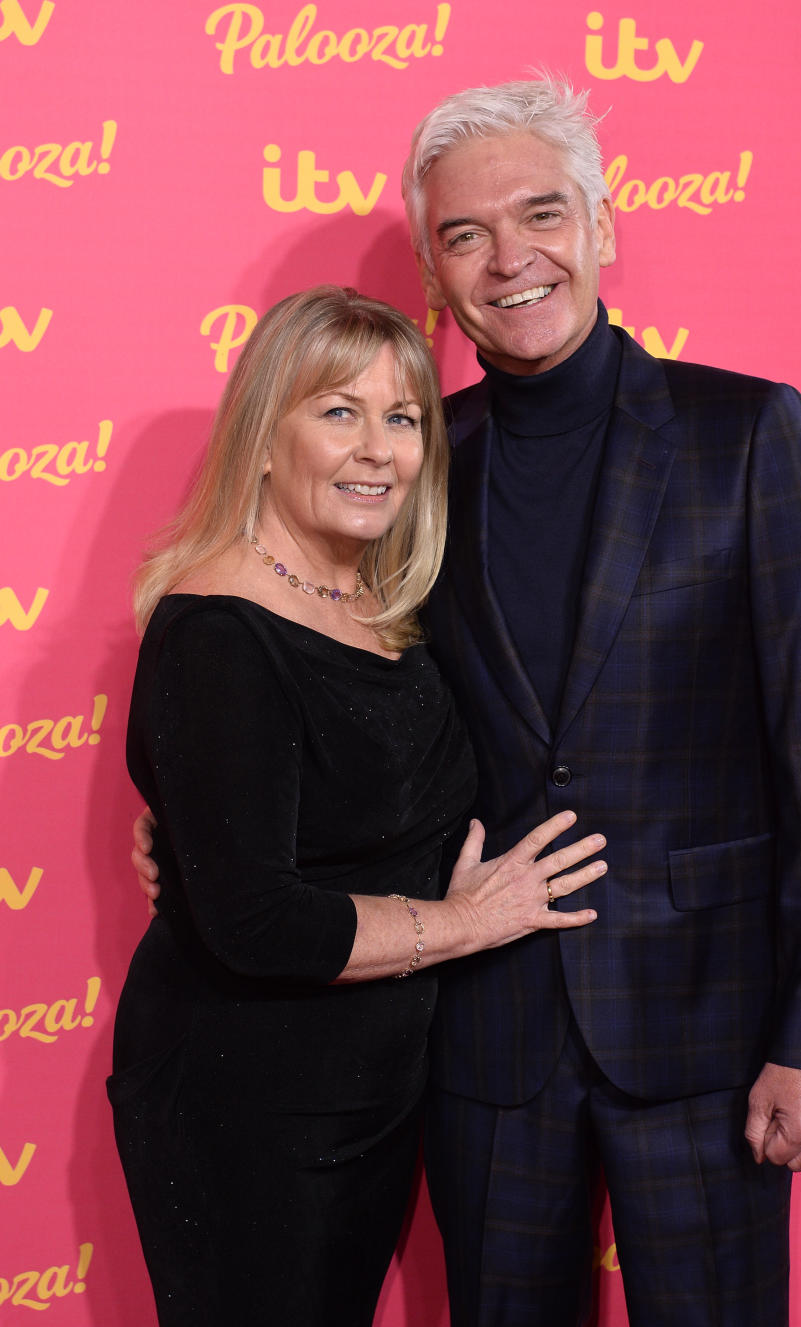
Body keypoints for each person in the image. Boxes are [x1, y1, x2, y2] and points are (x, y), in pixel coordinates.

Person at [135, 79, 801, 1326]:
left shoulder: (748, 435)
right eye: (464, 235)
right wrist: (195, 823)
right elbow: (314, 680)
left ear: (602, 225)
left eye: (540, 214)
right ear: (434, 266)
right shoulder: (415, 463)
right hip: (481, 1042)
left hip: (702, 1034)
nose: (508, 258)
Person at [111, 284, 606, 1327]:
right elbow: (259, 920)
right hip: (247, 1103)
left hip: (365, 1092)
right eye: (338, 411)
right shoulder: (221, 630)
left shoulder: (375, 603)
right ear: (261, 437)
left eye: (404, 417)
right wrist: (470, 921)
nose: (376, 448)